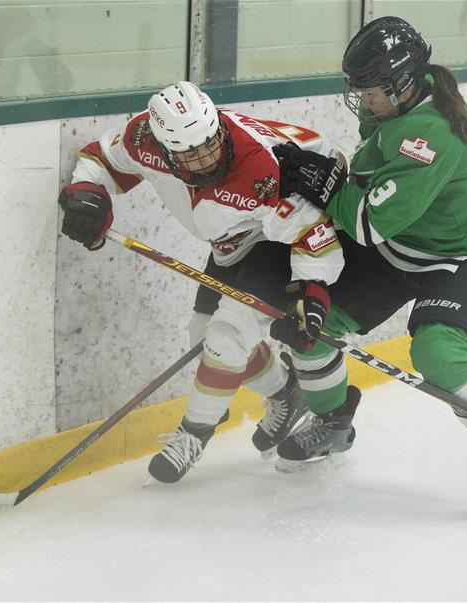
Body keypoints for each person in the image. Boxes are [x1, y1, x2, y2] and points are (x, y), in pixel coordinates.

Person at [269, 17, 467, 521]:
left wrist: (329, 185)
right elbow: (373, 182)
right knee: (312, 326)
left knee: (438, 353)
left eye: (370, 91)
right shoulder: (408, 101)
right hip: (406, 241)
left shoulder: (429, 132)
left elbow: (368, 222)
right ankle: (335, 423)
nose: (362, 101)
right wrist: (329, 178)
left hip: (460, 253)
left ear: (402, 84)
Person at [57, 81, 346, 483]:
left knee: (227, 334)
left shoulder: (261, 169)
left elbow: (313, 233)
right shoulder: (145, 140)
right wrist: (90, 192)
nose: (207, 159)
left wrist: (311, 294)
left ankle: (193, 435)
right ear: (165, 150)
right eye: (190, 154)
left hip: (282, 240)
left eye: (211, 143)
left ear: (218, 127)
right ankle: (285, 394)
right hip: (232, 243)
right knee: (203, 335)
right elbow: (102, 158)